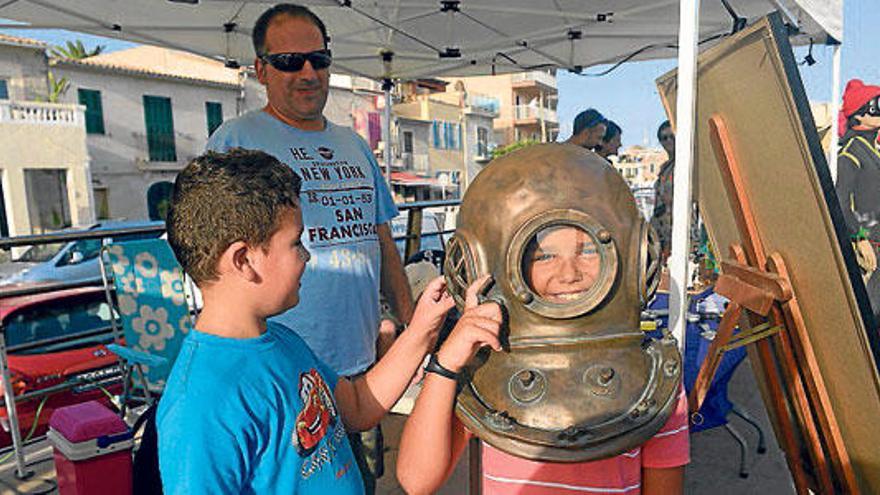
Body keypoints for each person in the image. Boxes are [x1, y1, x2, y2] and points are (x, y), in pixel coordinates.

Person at [156, 148, 502, 494]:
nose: (306, 256)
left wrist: (424, 327)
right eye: (295, 243)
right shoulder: (199, 405)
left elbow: (357, 406)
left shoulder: (283, 341)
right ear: (244, 259)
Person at [204, 4, 412, 490]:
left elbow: (381, 240)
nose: (307, 73)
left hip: (359, 363)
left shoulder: (354, 143)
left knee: (356, 480)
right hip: (283, 371)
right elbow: (214, 256)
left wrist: (406, 321)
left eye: (318, 59)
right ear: (261, 70)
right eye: (289, 62)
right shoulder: (236, 140)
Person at [397, 223, 688, 495]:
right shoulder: (488, 368)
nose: (569, 273)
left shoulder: (650, 376)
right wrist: (447, 363)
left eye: (587, 250)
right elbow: (417, 480)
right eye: (545, 256)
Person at [835, 79, 880, 324]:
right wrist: (859, 237)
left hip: (877, 240)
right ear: (859, 116)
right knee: (869, 310)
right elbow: (841, 201)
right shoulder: (851, 152)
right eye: (875, 107)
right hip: (869, 244)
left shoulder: (872, 151)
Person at [651, 120, 676, 261]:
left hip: (678, 231)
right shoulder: (665, 169)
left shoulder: (686, 164)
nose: (668, 141)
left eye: (672, 137)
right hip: (662, 230)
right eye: (664, 138)